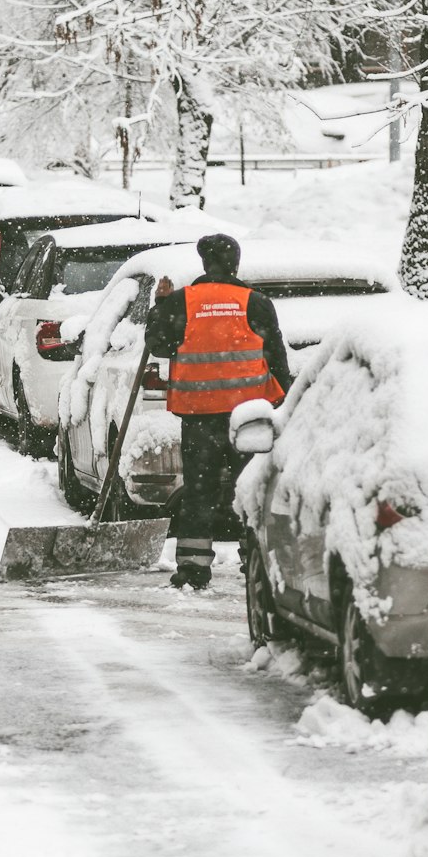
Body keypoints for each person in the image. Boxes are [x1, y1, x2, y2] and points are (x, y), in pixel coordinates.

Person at [144, 233, 292, 590]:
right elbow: (276, 358)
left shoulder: (184, 302)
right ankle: (257, 562)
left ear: (204, 263)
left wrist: (160, 306)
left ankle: (194, 570)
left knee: (199, 492)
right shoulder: (255, 303)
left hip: (199, 417)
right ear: (235, 264)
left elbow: (159, 346)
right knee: (252, 490)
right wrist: (284, 401)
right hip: (248, 418)